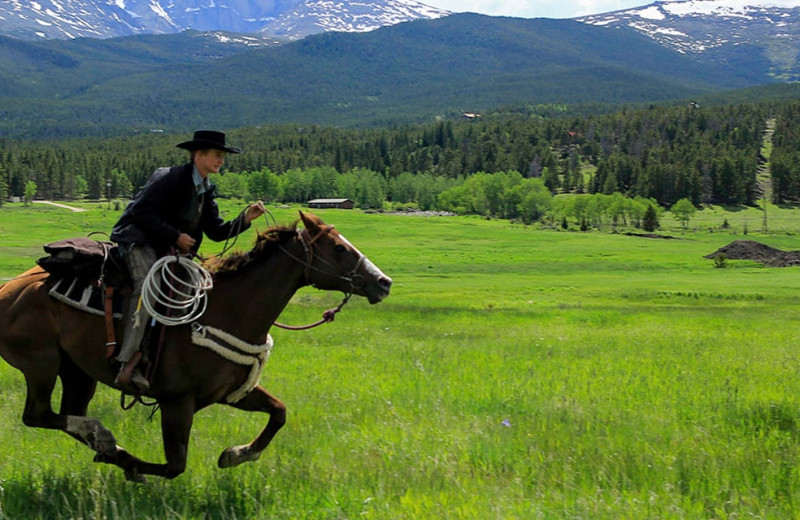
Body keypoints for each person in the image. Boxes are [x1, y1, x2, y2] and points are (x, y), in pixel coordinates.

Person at [110, 130, 265, 393]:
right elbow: (140, 212)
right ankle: (127, 363)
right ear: (199, 154)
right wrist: (175, 236)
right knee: (148, 289)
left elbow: (216, 232)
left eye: (223, 156)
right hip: (139, 242)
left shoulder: (205, 189)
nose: (221, 161)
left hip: (169, 250)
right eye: (217, 155)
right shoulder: (169, 178)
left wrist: (245, 219)